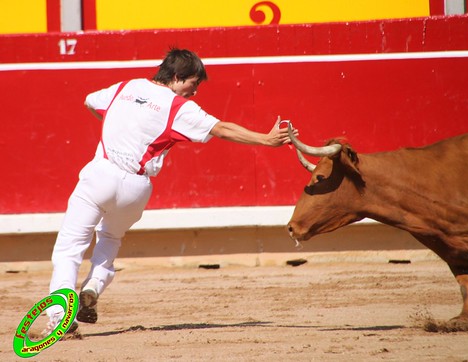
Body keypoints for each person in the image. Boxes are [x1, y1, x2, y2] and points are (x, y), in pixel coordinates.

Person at [42, 47, 297, 336]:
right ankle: (92, 287)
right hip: (136, 189)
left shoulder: (127, 86)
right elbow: (222, 128)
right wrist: (266, 140)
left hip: (100, 175)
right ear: (177, 77)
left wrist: (117, 124)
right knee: (110, 237)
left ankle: (59, 317)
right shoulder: (178, 107)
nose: (195, 91)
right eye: (193, 84)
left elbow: (90, 101)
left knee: (69, 248)